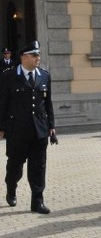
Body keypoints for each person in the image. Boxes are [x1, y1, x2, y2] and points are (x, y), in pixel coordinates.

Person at [0, 40, 56, 214]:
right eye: (34, 55)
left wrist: (51, 125)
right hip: (17, 130)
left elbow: (48, 103)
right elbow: (3, 103)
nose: (38, 58)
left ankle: (37, 201)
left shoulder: (44, 76)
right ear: (24, 58)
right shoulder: (8, 76)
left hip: (39, 130)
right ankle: (11, 188)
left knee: (38, 166)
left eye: (38, 55)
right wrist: (1, 126)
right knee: (15, 165)